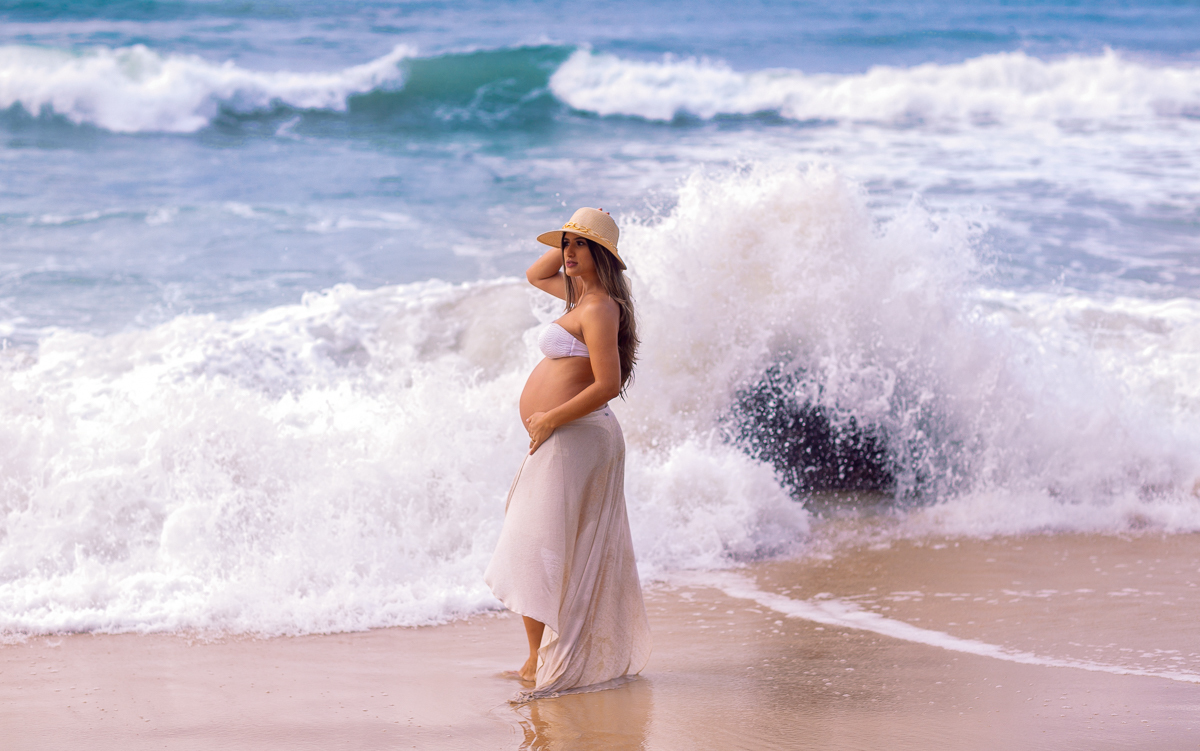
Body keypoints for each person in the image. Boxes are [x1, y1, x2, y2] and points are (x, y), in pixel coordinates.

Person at [484, 207, 652, 701]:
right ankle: (537, 657)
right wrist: (569, 235)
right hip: (562, 437)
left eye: (580, 246)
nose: (568, 254)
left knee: (537, 542)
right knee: (534, 542)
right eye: (567, 245)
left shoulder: (600, 308)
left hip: (577, 435)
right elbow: (536, 273)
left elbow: (609, 382)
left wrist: (553, 417)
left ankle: (540, 659)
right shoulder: (580, 295)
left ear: (602, 254)